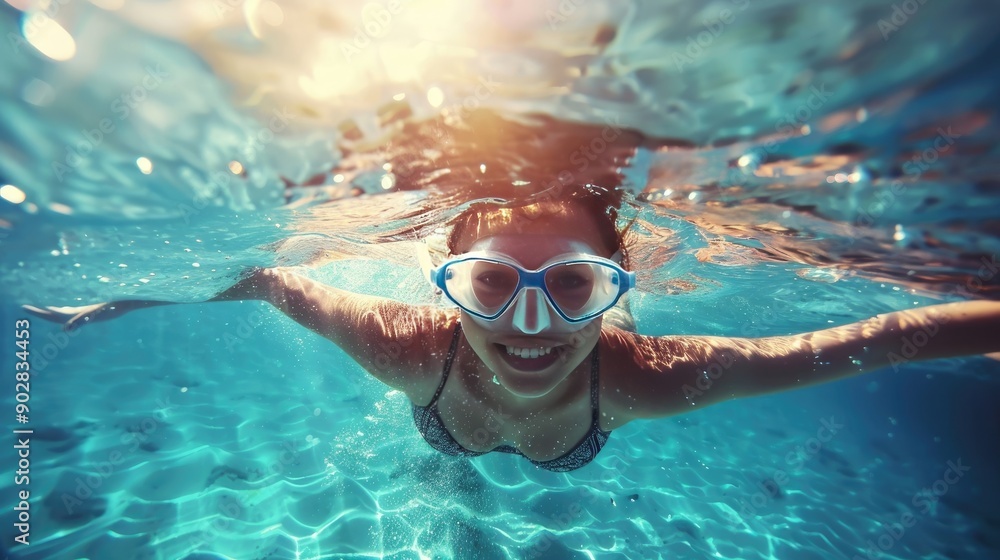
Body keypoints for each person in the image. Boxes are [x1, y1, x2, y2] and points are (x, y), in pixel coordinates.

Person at [24, 186, 1000, 473]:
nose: (529, 324)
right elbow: (275, 278)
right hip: (446, 417)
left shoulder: (648, 377)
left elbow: (885, 333)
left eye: (572, 286)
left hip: (541, 431)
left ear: (616, 289)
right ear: (447, 289)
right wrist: (134, 293)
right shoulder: (405, 344)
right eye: (491, 281)